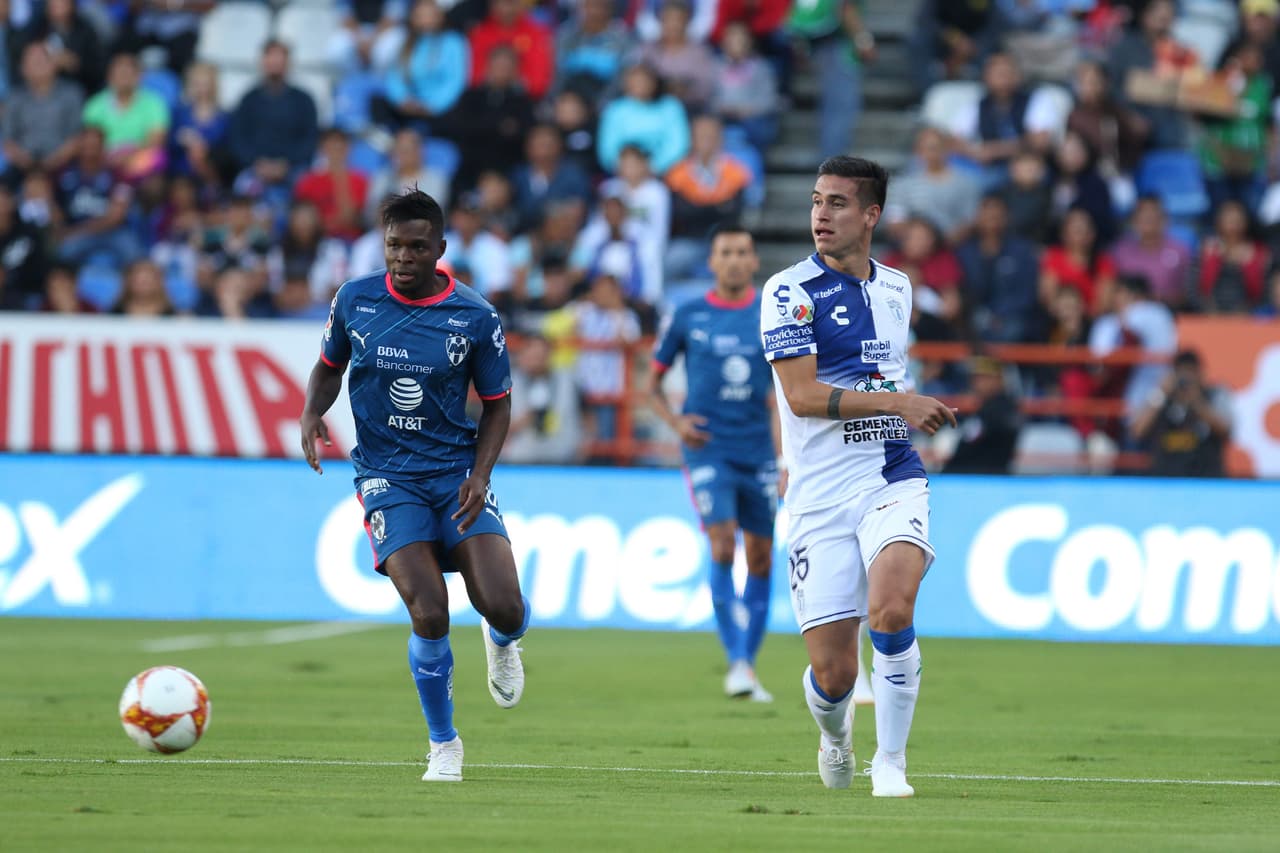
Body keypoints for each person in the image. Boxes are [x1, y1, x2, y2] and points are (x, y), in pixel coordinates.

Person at [299, 188, 529, 783]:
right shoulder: (355, 299)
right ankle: (444, 745)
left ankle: (503, 640)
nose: (404, 256)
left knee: (504, 604)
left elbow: (499, 407)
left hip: (454, 474)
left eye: (417, 246)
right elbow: (329, 369)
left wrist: (480, 476)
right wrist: (309, 416)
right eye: (394, 245)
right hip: (386, 478)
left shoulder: (475, 316)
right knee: (428, 612)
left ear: (441, 249)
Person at [759, 156, 956, 797]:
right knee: (835, 674)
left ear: (871, 215)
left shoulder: (898, 289)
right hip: (817, 496)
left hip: (891, 476)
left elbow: (886, 374)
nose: (821, 213)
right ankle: (837, 736)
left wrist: (900, 403)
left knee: (892, 610)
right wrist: (900, 401)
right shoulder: (788, 291)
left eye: (838, 203)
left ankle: (891, 764)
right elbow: (804, 397)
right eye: (817, 200)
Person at [648, 225, 781, 702]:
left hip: (759, 452)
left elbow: (782, 396)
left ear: (753, 261)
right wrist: (676, 423)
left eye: (742, 252)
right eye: (725, 252)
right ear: (712, 260)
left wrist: (784, 458)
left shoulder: (770, 315)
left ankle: (748, 659)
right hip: (708, 449)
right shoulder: (688, 313)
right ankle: (738, 664)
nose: (733, 260)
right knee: (723, 544)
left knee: (762, 555)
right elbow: (652, 384)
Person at [1130, 349, 1232, 478]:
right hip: (1166, 481)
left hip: (1206, 480)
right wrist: (1160, 394)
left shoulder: (1215, 396)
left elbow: (1226, 431)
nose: (1186, 381)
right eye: (1182, 375)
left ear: (1200, 374)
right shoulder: (1160, 400)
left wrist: (1196, 402)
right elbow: (1137, 431)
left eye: (1191, 374)